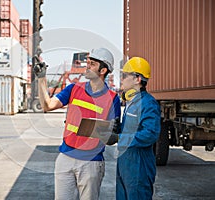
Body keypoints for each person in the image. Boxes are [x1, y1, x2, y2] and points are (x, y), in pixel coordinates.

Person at [34, 48, 121, 200]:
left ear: (103, 70)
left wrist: (106, 134)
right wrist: (41, 78)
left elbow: (113, 135)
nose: (87, 66)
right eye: (88, 63)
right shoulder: (74, 88)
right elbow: (47, 105)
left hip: (91, 163)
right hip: (65, 158)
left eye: (92, 64)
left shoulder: (112, 99)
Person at [116, 57, 161, 199]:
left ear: (137, 79)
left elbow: (150, 134)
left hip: (138, 166)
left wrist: (120, 138)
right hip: (125, 164)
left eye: (125, 75)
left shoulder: (148, 103)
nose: (121, 79)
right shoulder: (130, 102)